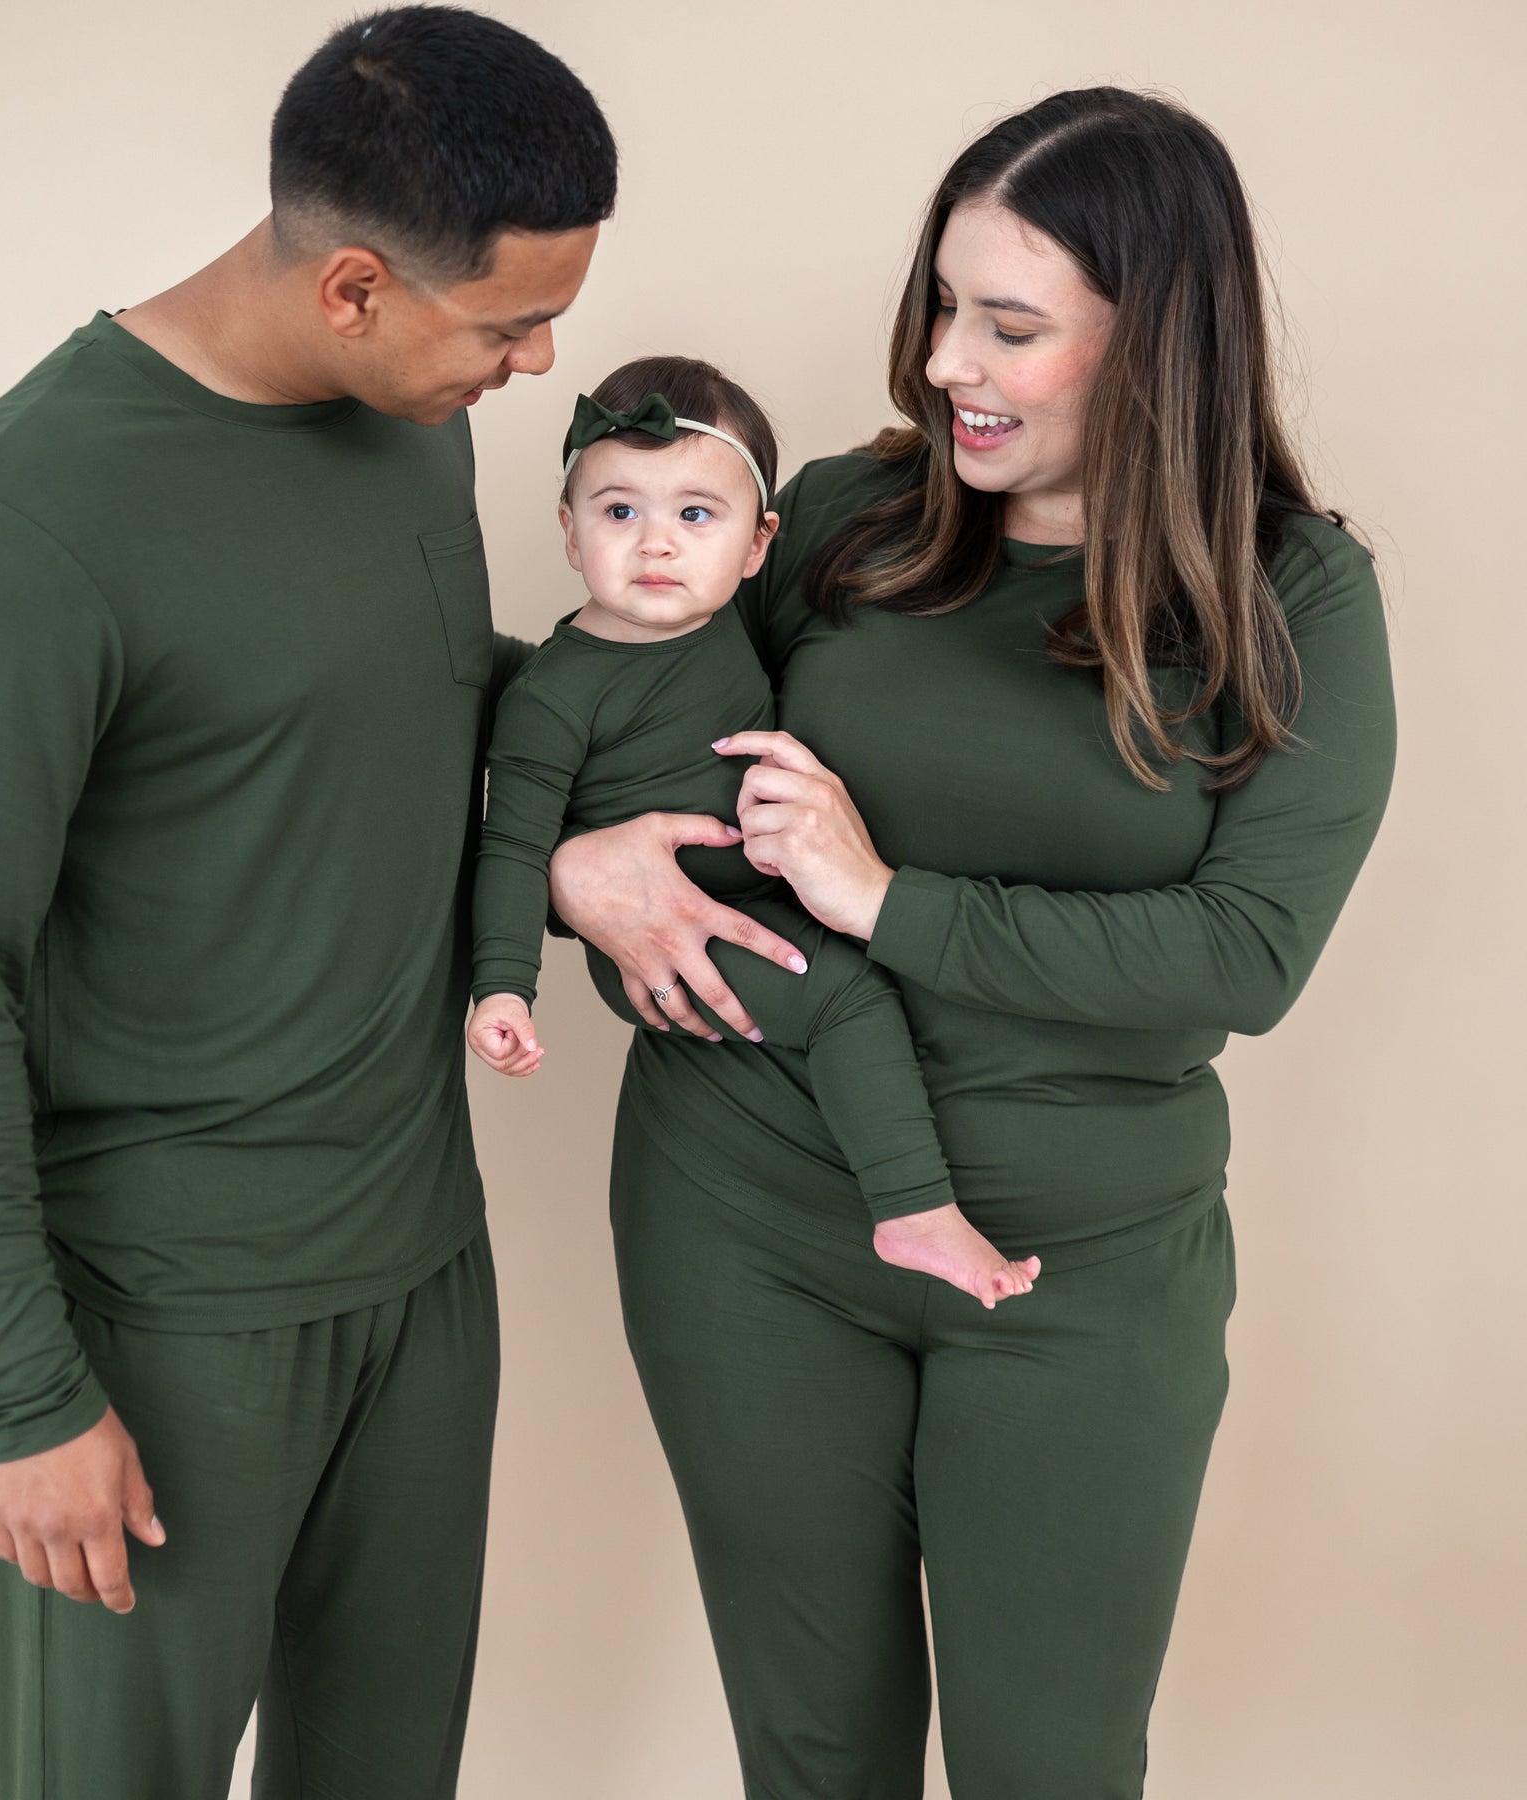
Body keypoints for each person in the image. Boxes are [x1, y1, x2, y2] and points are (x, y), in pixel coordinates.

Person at [547, 89, 1396, 1798]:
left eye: (1010, 325)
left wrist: (885, 902)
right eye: (946, 307)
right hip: (749, 1224)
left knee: (1053, 1763)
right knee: (813, 1755)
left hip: (1081, 1267)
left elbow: (1244, 957)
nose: (947, 362)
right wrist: (579, 873)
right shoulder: (836, 520)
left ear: (1158, 343)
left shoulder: (1292, 591)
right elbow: (634, 766)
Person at [0, 10, 614, 1797]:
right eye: (508, 323)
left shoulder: (413, 415)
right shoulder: (22, 520)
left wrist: (612, 821)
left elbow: (384, 710)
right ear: (351, 286)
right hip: (164, 1317)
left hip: (423, 1276)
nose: (540, 359)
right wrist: (17, 1391)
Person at [467, 356, 1039, 1305]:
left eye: (695, 515)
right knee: (849, 998)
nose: (656, 545)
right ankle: (915, 1212)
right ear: (568, 532)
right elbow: (513, 846)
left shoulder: (737, 622)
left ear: (756, 544)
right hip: (669, 937)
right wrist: (503, 989)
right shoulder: (551, 698)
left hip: (763, 891)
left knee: (878, 980)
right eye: (619, 513)